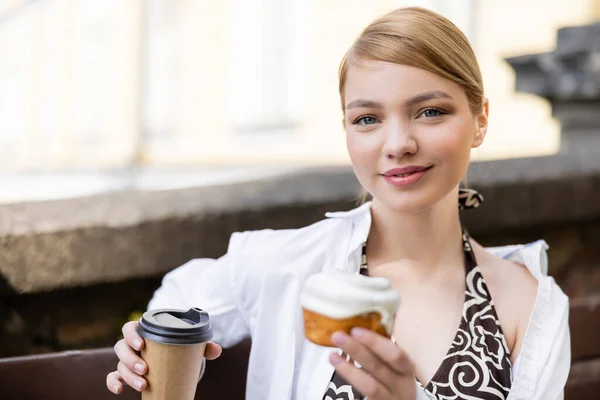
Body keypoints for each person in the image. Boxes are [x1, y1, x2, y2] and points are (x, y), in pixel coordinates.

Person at [106, 7, 570, 400]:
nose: (398, 143)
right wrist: (150, 345)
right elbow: (181, 296)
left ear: (480, 120)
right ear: (347, 131)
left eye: (430, 111)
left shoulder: (529, 303)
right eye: (367, 118)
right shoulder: (288, 265)